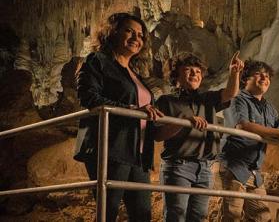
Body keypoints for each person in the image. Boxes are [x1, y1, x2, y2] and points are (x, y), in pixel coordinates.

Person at [74, 12, 164, 222]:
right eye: (129, 31)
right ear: (112, 33)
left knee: (142, 214)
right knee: (108, 211)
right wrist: (132, 109)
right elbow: (89, 97)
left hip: (138, 152)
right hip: (110, 146)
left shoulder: (133, 73)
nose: (136, 38)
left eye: (141, 35)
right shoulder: (97, 61)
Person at [154, 51, 244, 222]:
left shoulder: (207, 99)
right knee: (176, 216)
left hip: (205, 168)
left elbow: (230, 93)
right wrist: (184, 121)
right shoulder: (166, 101)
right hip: (178, 166)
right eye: (188, 69)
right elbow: (158, 135)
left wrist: (234, 72)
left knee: (198, 217)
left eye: (198, 71)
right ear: (176, 75)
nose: (195, 73)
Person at [217, 60, 279, 222]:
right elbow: (242, 125)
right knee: (232, 215)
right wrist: (278, 133)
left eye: (267, 76)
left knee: (262, 216)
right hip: (234, 166)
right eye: (258, 74)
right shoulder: (237, 99)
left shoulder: (269, 108)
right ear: (246, 79)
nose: (264, 78)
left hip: (254, 171)